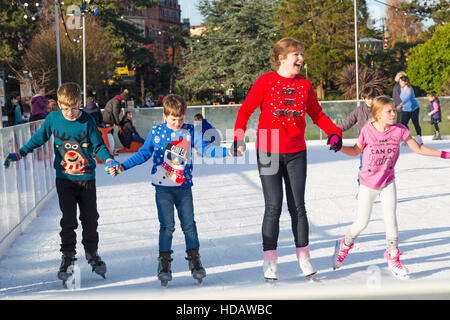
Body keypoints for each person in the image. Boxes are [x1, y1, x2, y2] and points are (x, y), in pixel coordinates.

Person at [231, 37, 343, 281]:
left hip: (296, 150)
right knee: (273, 206)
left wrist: (334, 132)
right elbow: (246, 110)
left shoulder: (305, 86)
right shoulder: (265, 81)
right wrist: (238, 137)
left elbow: (317, 114)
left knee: (298, 207)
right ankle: (270, 260)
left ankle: (304, 256)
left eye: (302, 54)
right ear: (282, 58)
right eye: (296, 54)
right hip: (269, 146)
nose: (301, 59)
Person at [106, 94, 229, 286]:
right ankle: (164, 263)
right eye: (173, 120)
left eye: (181, 119)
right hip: (163, 189)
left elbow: (206, 150)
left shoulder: (190, 131)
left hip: (184, 188)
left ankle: (195, 259)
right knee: (167, 226)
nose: (178, 123)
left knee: (189, 225)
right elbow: (143, 154)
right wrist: (123, 166)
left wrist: (228, 151)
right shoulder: (157, 132)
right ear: (165, 116)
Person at [3, 82, 118, 285]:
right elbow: (38, 139)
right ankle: (68, 257)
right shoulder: (53, 119)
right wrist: (19, 153)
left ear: (80, 103)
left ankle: (92, 252)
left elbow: (99, 146)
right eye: (65, 108)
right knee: (68, 219)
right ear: (59, 105)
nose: (70, 113)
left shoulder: (87, 121)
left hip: (86, 179)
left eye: (74, 108)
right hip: (64, 179)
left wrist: (108, 160)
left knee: (90, 218)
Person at [332, 95, 450, 278]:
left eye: (394, 110)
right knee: (362, 222)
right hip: (367, 184)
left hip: (387, 181)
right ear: (378, 114)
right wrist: (339, 147)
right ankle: (344, 245)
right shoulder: (367, 131)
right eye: (389, 111)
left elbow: (418, 148)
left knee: (391, 221)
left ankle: (393, 256)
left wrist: (444, 155)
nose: (394, 113)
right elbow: (356, 150)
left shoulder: (399, 130)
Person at [339, 87, 378, 186]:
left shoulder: (380, 110)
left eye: (373, 98)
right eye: (368, 98)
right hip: (364, 146)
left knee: (377, 168)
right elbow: (348, 122)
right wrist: (335, 131)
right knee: (363, 167)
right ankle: (362, 188)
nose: (370, 101)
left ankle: (377, 188)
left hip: (378, 145)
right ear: (363, 98)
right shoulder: (359, 111)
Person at [398, 76, 423, 145]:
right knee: (403, 123)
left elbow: (407, 98)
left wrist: (400, 104)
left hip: (413, 108)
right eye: (399, 82)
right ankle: (407, 138)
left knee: (415, 123)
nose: (400, 83)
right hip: (405, 109)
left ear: (405, 82)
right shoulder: (401, 89)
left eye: (401, 82)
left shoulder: (409, 89)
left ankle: (419, 139)